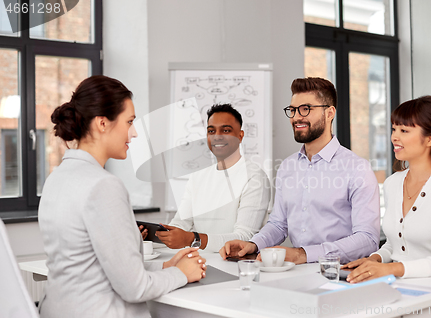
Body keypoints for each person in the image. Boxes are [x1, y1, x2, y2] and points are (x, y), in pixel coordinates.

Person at [38, 76, 206, 318]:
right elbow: (135, 288)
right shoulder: (103, 186)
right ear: (102, 124)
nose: (134, 132)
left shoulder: (57, 178)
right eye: (129, 122)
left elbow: (96, 266)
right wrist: (182, 273)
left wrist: (166, 266)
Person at [220, 77, 380, 264]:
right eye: (293, 110)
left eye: (306, 109)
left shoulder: (357, 168)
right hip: (296, 273)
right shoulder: (288, 167)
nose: (296, 117)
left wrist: (303, 254)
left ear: (329, 113)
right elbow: (279, 225)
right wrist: (253, 244)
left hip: (340, 275)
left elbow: (367, 239)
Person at [342, 95, 431, 283]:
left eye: (404, 130)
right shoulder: (392, 183)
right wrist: (373, 260)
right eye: (394, 129)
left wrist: (390, 268)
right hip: (394, 285)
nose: (394, 137)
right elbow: (395, 244)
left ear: (430, 138)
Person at [152, 104, 271, 252]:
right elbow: (181, 223)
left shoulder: (254, 177)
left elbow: (244, 237)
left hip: (236, 265)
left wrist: (192, 239)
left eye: (226, 130)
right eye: (211, 131)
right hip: (198, 262)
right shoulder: (198, 176)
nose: (217, 136)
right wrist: (151, 235)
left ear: (240, 136)